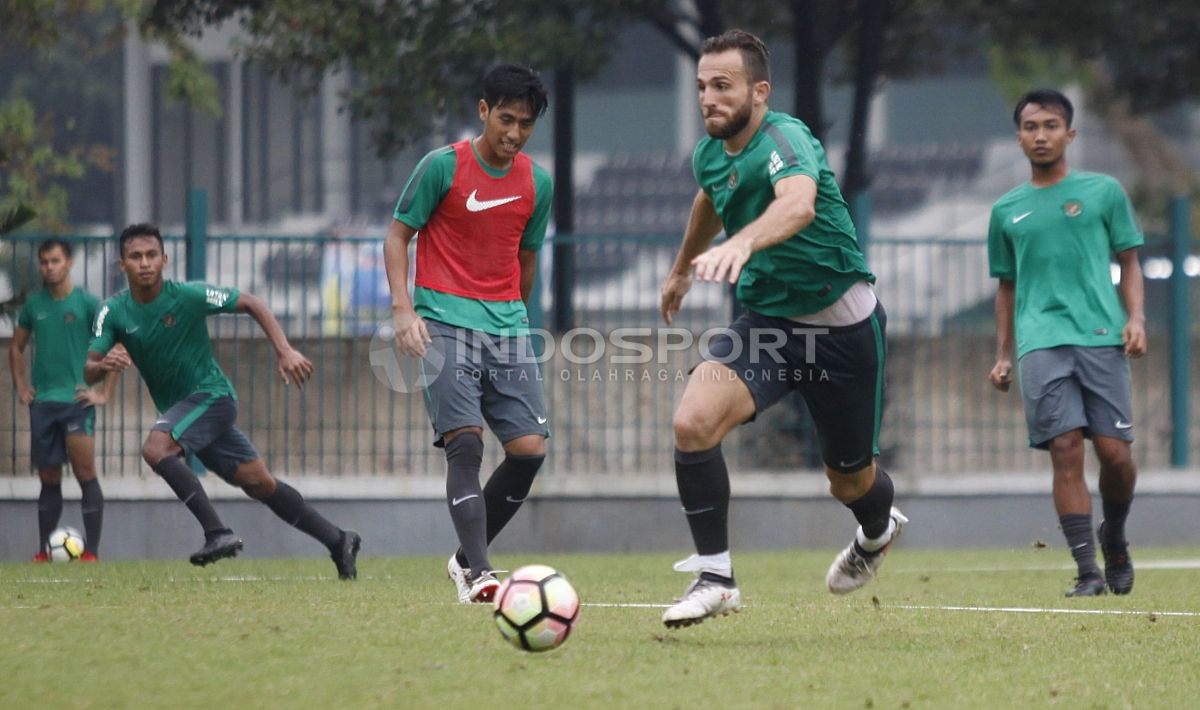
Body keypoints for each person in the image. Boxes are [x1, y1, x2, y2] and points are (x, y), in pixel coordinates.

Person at [658, 29, 907, 628]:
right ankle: (716, 576)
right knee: (693, 422)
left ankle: (877, 530)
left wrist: (741, 244)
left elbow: (798, 204)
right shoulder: (711, 153)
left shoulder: (784, 138)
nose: (708, 99)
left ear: (759, 91)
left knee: (849, 483)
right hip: (768, 322)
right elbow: (710, 200)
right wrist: (680, 271)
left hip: (842, 331)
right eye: (701, 87)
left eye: (723, 86)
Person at [84, 223, 361, 578]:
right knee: (259, 482)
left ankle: (217, 533)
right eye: (135, 257)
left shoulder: (187, 296)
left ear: (164, 259)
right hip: (182, 413)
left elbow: (250, 301)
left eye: (151, 255)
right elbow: (89, 368)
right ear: (121, 264)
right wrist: (101, 364)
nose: (144, 263)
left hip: (212, 397)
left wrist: (284, 349)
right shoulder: (112, 311)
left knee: (156, 449)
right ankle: (339, 540)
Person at [384, 64, 553, 604]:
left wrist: (518, 322)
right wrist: (403, 311)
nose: (514, 133)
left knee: (528, 451)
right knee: (465, 446)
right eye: (506, 119)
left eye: (525, 124)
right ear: (483, 110)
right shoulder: (442, 167)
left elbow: (526, 259)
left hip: (506, 327)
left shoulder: (537, 182)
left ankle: (463, 558)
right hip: (443, 324)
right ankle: (480, 572)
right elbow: (396, 237)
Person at [988, 89, 1145, 597]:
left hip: (1100, 337)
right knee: (1065, 448)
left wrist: (1136, 318)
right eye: (1031, 126)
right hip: (1041, 343)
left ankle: (1114, 535)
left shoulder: (1103, 192)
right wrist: (1002, 354)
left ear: (1069, 134)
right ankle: (1087, 572)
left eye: (1051, 125)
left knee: (1116, 455)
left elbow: (1130, 262)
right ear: (1018, 137)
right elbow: (1005, 287)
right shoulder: (1006, 210)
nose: (1041, 135)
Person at [9, 239, 119, 562]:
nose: (49, 267)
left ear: (69, 262)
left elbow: (116, 347)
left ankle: (93, 553)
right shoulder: (34, 305)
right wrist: (21, 386)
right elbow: (16, 347)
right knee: (48, 479)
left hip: (77, 402)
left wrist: (104, 392)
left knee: (85, 473)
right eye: (44, 262)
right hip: (43, 403)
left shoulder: (88, 304)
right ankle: (44, 550)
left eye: (55, 261)